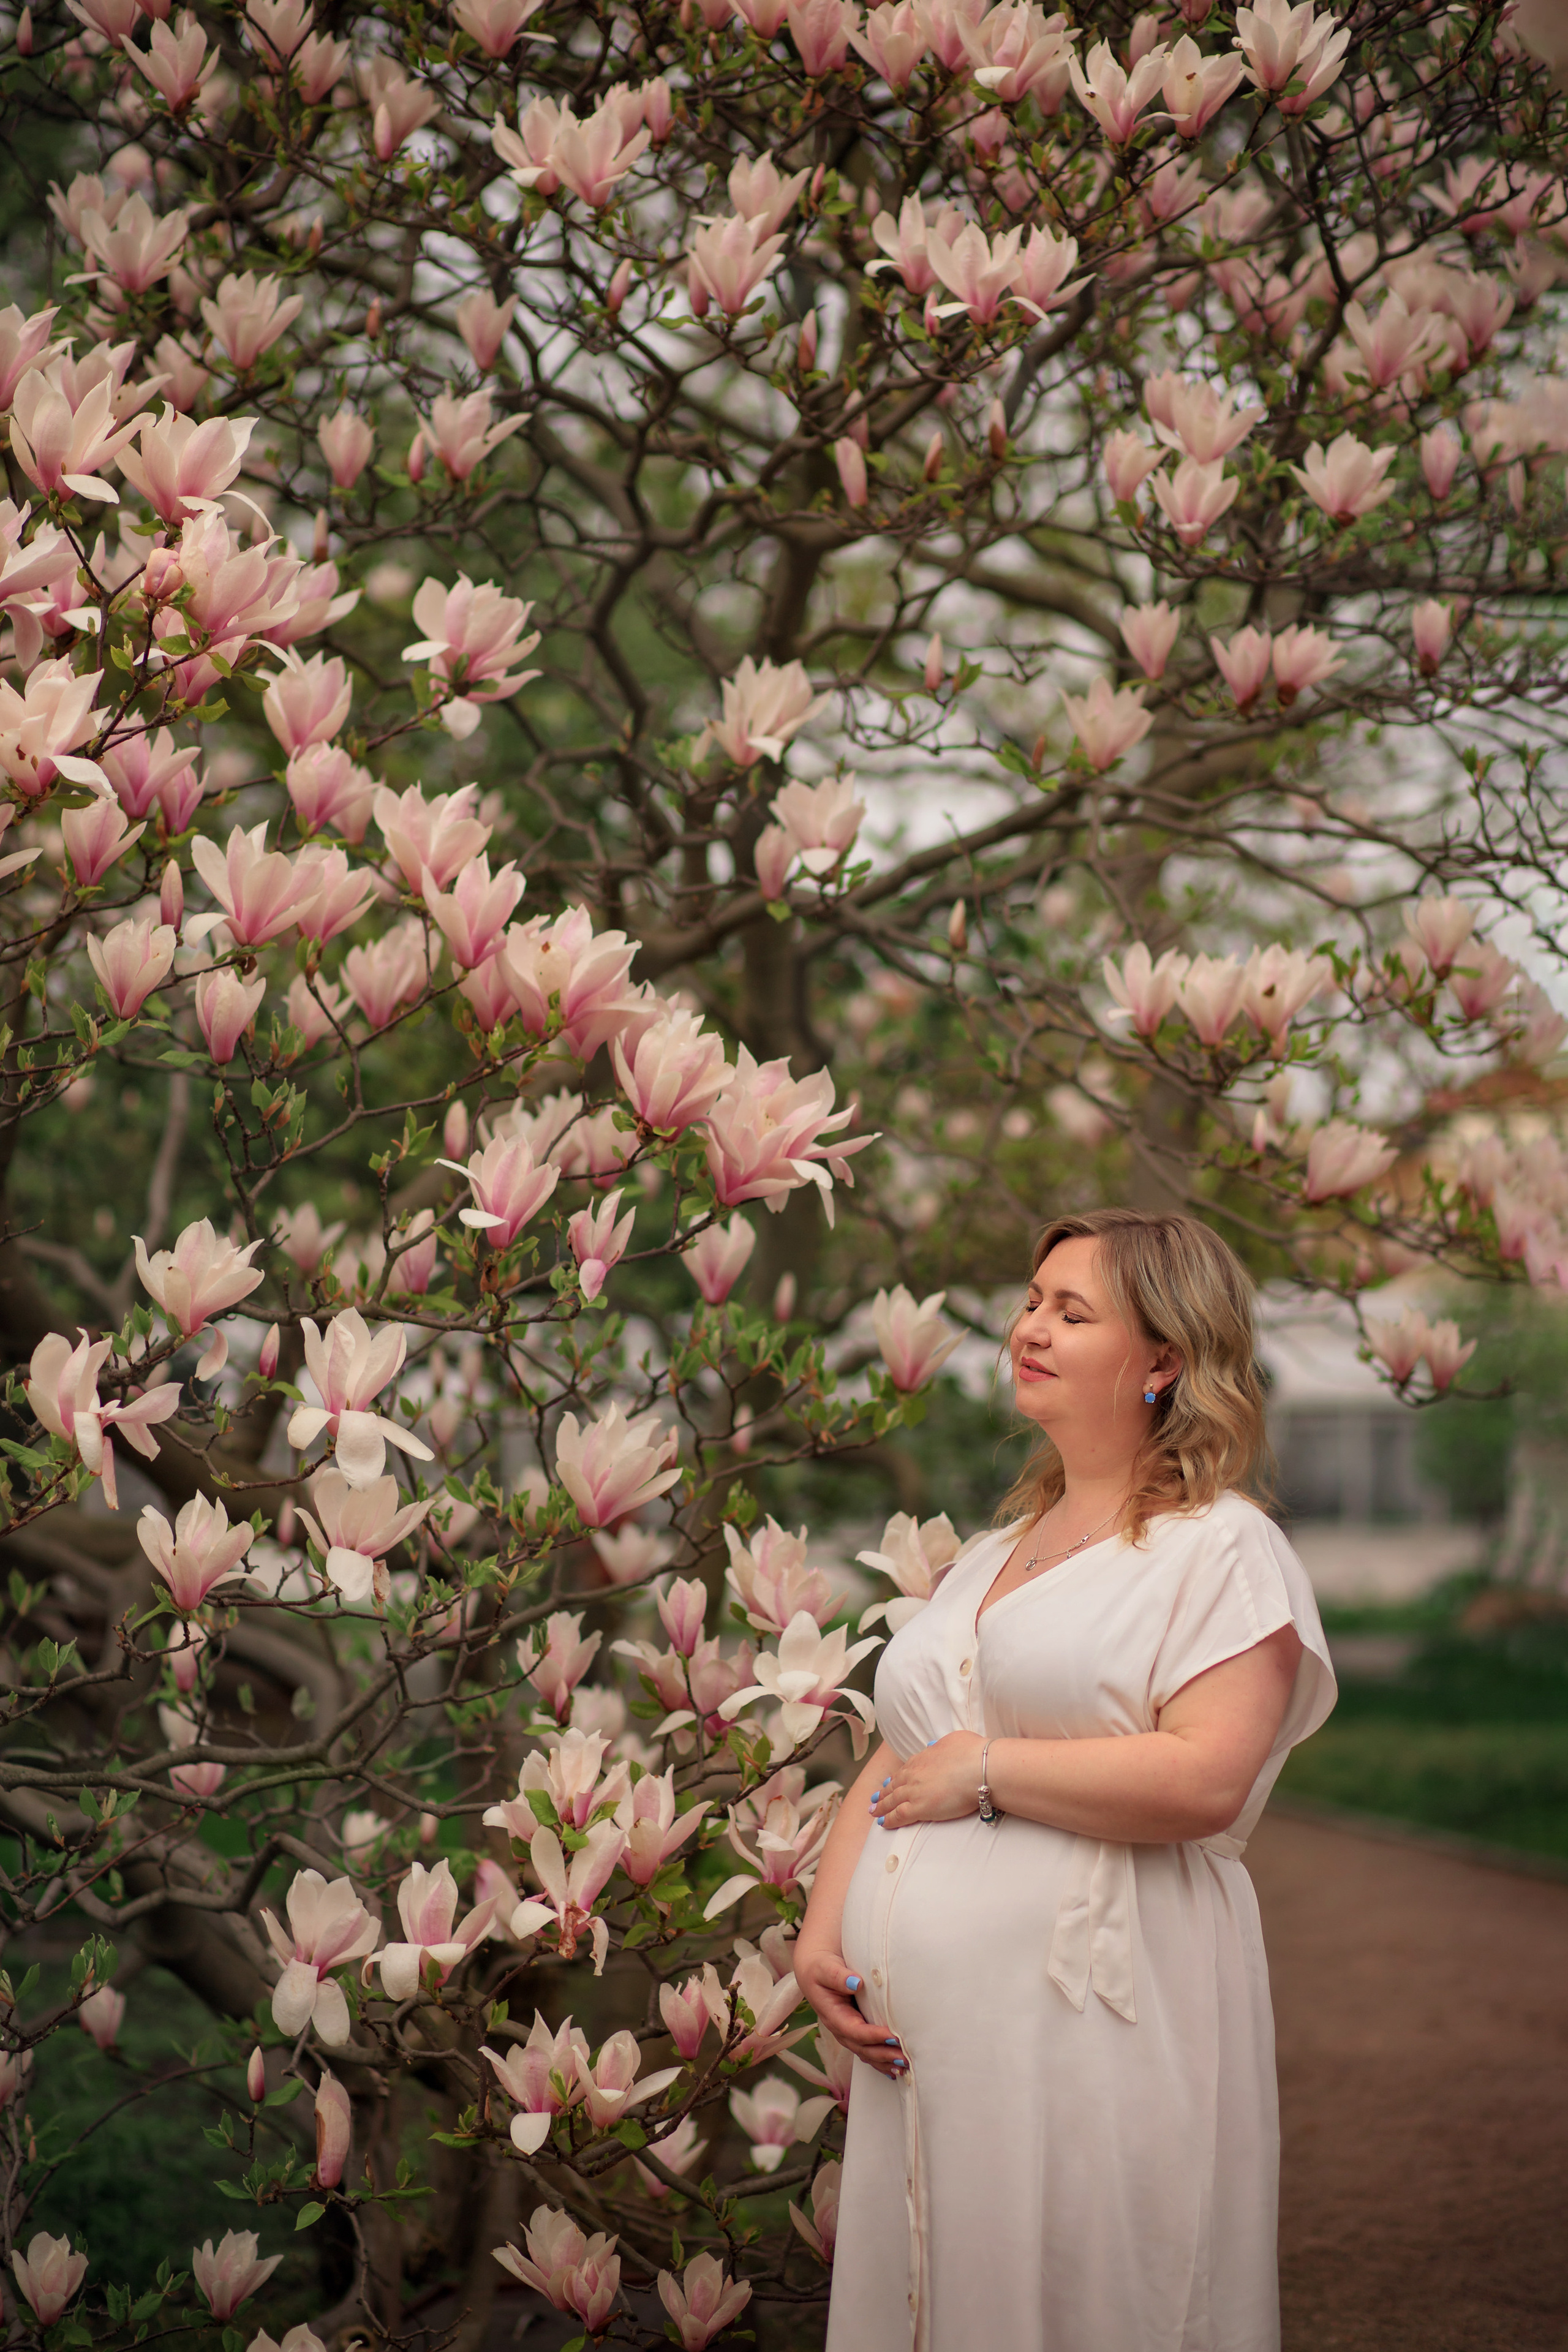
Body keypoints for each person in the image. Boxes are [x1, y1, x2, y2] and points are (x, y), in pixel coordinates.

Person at [795, 1207, 1337, 2352]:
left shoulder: (1219, 1547)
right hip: (932, 2047)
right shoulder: (999, 1549)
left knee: (1094, 2291)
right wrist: (821, 1930)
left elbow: (1206, 1780)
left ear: (1165, 1361)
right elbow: (908, 1741)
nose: (1029, 1326)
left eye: (1072, 1311)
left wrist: (992, 1773)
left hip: (1099, 2008)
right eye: (1033, 1302)